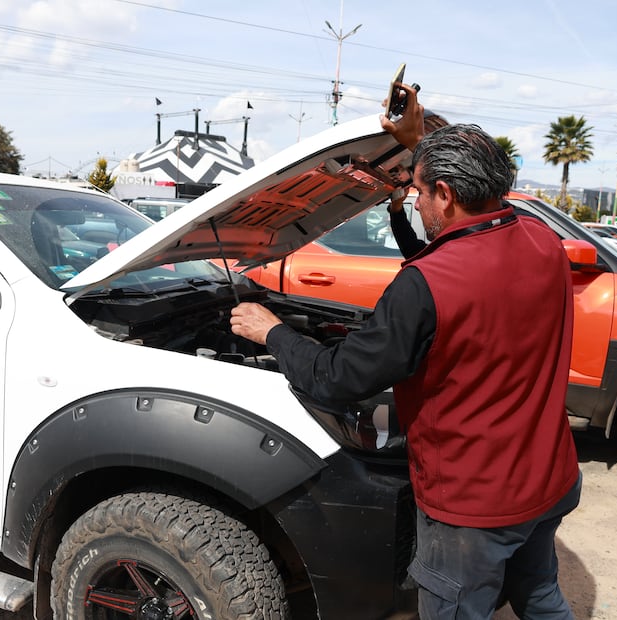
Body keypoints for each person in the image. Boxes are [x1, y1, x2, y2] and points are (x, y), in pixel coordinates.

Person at [230, 83, 581, 620]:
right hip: (550, 479)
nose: (414, 201)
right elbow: (464, 263)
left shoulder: (424, 286)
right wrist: (399, 208)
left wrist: (272, 331)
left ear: (446, 193)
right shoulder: (540, 241)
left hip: (473, 507)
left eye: (417, 192)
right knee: (541, 598)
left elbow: (338, 379)